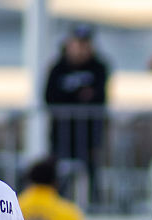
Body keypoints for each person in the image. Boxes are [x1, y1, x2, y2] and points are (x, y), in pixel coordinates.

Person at [44, 24, 110, 204]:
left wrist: (75, 96)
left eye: (85, 44)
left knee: (90, 171)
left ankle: (95, 204)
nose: (81, 49)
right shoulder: (58, 68)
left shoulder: (98, 67)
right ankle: (56, 204)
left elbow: (99, 96)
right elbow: (50, 96)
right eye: (78, 43)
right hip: (62, 134)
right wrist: (77, 95)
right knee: (60, 172)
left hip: (89, 134)